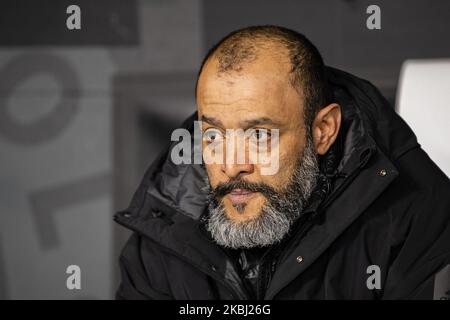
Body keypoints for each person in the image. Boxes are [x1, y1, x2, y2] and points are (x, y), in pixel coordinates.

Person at [114, 26, 450, 299]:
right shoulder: (165, 226)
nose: (231, 166)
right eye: (214, 136)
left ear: (323, 131)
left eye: (259, 135)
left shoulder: (417, 216)